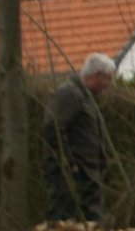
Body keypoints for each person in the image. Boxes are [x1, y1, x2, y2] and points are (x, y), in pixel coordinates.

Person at [42, 54, 115, 222]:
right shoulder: (70, 94)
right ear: (96, 75)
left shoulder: (86, 98)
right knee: (64, 221)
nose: (108, 85)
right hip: (71, 176)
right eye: (107, 79)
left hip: (87, 174)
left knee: (88, 223)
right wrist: (69, 163)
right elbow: (52, 127)